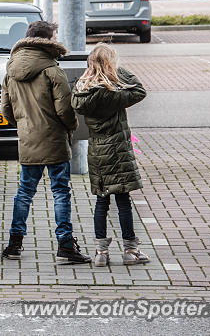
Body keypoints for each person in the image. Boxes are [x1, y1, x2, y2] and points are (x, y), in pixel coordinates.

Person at [1, 21, 91, 264]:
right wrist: (71, 127)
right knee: (60, 192)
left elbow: (6, 110)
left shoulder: (11, 70)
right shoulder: (52, 69)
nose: (56, 39)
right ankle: (65, 244)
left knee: (24, 193)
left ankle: (14, 244)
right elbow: (65, 109)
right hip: (54, 139)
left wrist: (24, 124)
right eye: (55, 36)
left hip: (28, 139)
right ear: (47, 40)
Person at [71, 43, 149, 267]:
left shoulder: (82, 89)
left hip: (97, 151)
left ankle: (100, 253)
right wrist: (117, 71)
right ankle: (130, 251)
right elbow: (140, 91)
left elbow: (75, 102)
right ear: (110, 64)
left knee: (101, 201)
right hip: (118, 151)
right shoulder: (114, 93)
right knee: (123, 201)